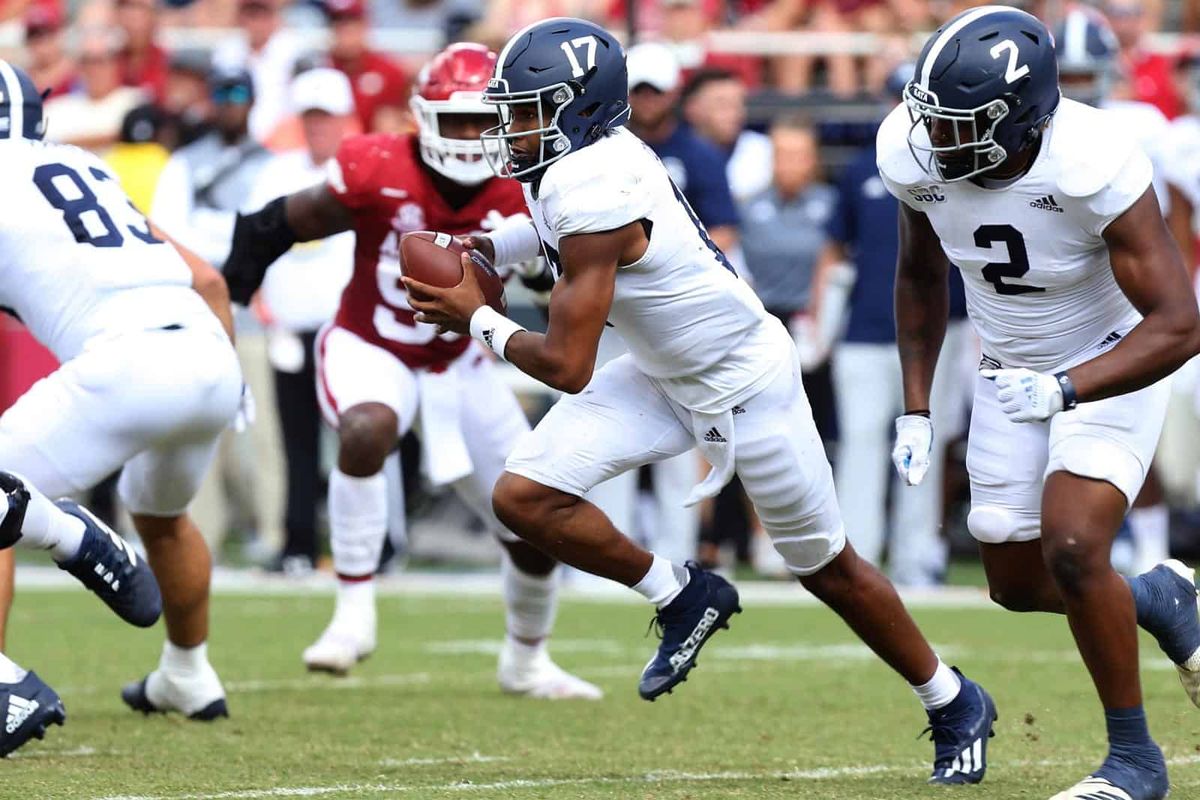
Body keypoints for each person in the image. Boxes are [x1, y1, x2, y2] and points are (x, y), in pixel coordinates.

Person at [405, 17, 998, 785]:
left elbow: (567, 364)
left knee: (828, 569)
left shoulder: (593, 183)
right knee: (524, 497)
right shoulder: (582, 161)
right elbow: (552, 234)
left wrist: (475, 316)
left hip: (742, 384)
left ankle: (951, 699)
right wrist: (494, 247)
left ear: (579, 110)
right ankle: (682, 594)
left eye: (528, 110)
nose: (511, 128)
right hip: (664, 371)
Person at [880, 7, 1200, 798]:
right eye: (933, 118)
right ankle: (1160, 597)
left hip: (1108, 358)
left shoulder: (1092, 161)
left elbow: (1182, 321)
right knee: (1016, 584)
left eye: (961, 123)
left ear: (1022, 118)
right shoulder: (914, 154)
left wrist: (1068, 387)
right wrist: (916, 407)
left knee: (1073, 548)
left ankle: (1134, 760)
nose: (936, 139)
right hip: (1004, 366)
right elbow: (920, 277)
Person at [222, 43, 600, 700]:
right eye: (455, 121)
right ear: (422, 118)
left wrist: (540, 269)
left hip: (460, 361)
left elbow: (560, 287)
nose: (470, 135)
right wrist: (225, 303)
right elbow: (275, 224)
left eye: (484, 120)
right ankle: (352, 612)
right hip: (373, 343)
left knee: (533, 516)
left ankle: (527, 659)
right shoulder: (378, 166)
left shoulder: (527, 186)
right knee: (366, 429)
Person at [0, 61, 245, 724]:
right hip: (207, 357)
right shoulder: (81, 166)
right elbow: (209, 280)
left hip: (128, 366)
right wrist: (235, 385)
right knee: (164, 517)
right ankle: (189, 673)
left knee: (1, 494)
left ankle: (61, 534)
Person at [819, 67, 970, 587]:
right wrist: (821, 324)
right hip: (864, 330)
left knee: (928, 442)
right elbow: (832, 251)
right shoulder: (865, 168)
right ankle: (855, 558)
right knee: (860, 444)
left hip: (938, 333)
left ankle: (917, 557)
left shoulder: (957, 169)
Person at [245, 68, 356, 573]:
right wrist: (262, 299)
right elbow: (252, 238)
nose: (317, 128)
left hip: (348, 332)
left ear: (344, 120)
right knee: (297, 441)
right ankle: (299, 544)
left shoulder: (359, 170)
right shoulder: (277, 173)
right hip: (290, 328)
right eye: (310, 118)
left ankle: (369, 545)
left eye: (326, 118)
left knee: (358, 439)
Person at [324, 0, 412, 134]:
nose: (345, 30)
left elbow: (390, 128)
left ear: (365, 25)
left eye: (352, 22)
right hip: (330, 145)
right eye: (338, 22)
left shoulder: (388, 71)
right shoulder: (322, 69)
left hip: (371, 147)